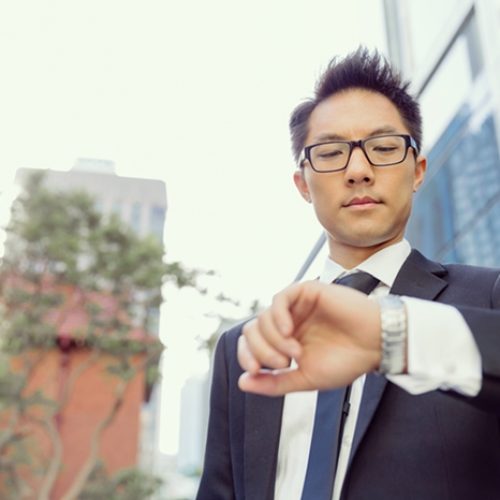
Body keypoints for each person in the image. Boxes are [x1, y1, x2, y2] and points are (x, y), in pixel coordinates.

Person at [196, 48, 500, 500]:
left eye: (382, 148)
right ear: (303, 184)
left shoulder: (485, 297)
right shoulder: (245, 348)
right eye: (332, 152)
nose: (358, 171)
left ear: (417, 171)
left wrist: (390, 334)